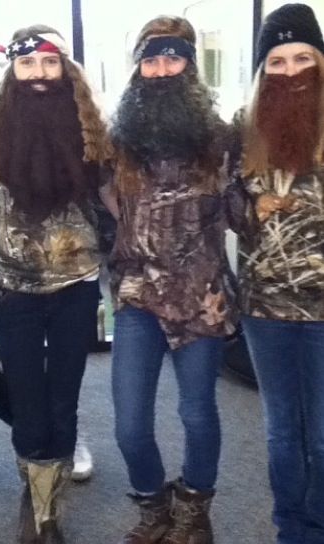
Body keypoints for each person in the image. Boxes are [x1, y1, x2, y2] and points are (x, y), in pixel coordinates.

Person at [0, 24, 115, 543]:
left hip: (76, 287)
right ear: (13, 71)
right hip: (13, 291)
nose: (39, 74)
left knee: (62, 398)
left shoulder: (93, 133)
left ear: (65, 69)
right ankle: (33, 497)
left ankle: (48, 514)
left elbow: (117, 201)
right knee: (28, 401)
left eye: (49, 63)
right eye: (27, 64)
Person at [109, 15, 236, 544]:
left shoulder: (222, 140)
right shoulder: (118, 143)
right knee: (130, 424)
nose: (161, 69)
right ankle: (153, 507)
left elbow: (246, 211)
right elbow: (102, 208)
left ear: (189, 66)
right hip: (138, 296)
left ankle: (194, 509)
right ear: (138, 68)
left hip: (201, 296)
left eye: (172, 57)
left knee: (197, 412)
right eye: (151, 58)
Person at [234, 4, 324, 544]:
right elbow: (220, 206)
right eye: (277, 61)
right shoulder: (242, 132)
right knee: (282, 431)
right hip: (264, 306)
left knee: (322, 435)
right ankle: (291, 530)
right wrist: (251, 210)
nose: (290, 71)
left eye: (303, 57)